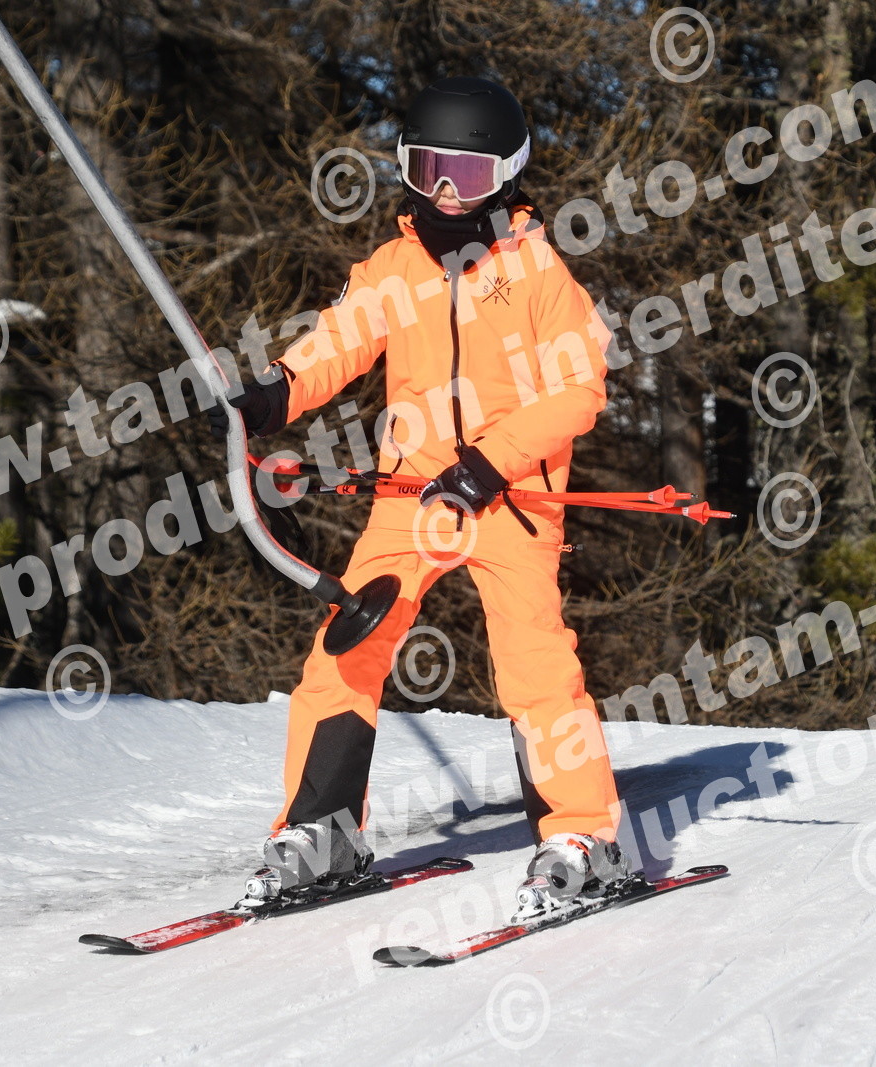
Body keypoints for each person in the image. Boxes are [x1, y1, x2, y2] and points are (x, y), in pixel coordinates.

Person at [211, 76, 629, 917]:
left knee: (535, 663)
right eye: (427, 168)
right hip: (412, 499)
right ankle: (322, 831)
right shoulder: (393, 267)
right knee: (345, 650)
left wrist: (491, 463)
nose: (443, 191)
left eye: (465, 175)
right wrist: (274, 394)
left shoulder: (537, 271)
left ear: (507, 176)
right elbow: (338, 343)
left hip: (511, 500)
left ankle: (582, 837)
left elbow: (579, 388)